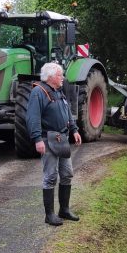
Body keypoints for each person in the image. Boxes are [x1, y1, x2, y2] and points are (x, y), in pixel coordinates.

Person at [26, 62, 82, 226]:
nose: (63, 78)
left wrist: (75, 129)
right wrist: (37, 139)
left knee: (67, 174)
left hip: (62, 139)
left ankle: (64, 210)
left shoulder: (59, 92)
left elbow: (67, 113)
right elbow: (33, 118)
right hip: (47, 139)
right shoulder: (38, 92)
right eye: (60, 75)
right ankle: (49, 215)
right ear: (50, 77)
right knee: (50, 176)